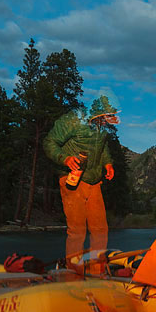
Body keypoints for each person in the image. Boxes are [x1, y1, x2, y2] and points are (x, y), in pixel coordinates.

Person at [43, 95, 119, 271]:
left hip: (94, 181)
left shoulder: (101, 128)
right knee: (77, 231)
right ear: (100, 114)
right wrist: (65, 158)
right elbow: (50, 142)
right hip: (72, 179)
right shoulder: (73, 120)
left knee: (100, 229)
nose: (112, 120)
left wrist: (108, 163)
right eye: (110, 115)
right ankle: (73, 271)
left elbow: (103, 147)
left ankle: (97, 271)